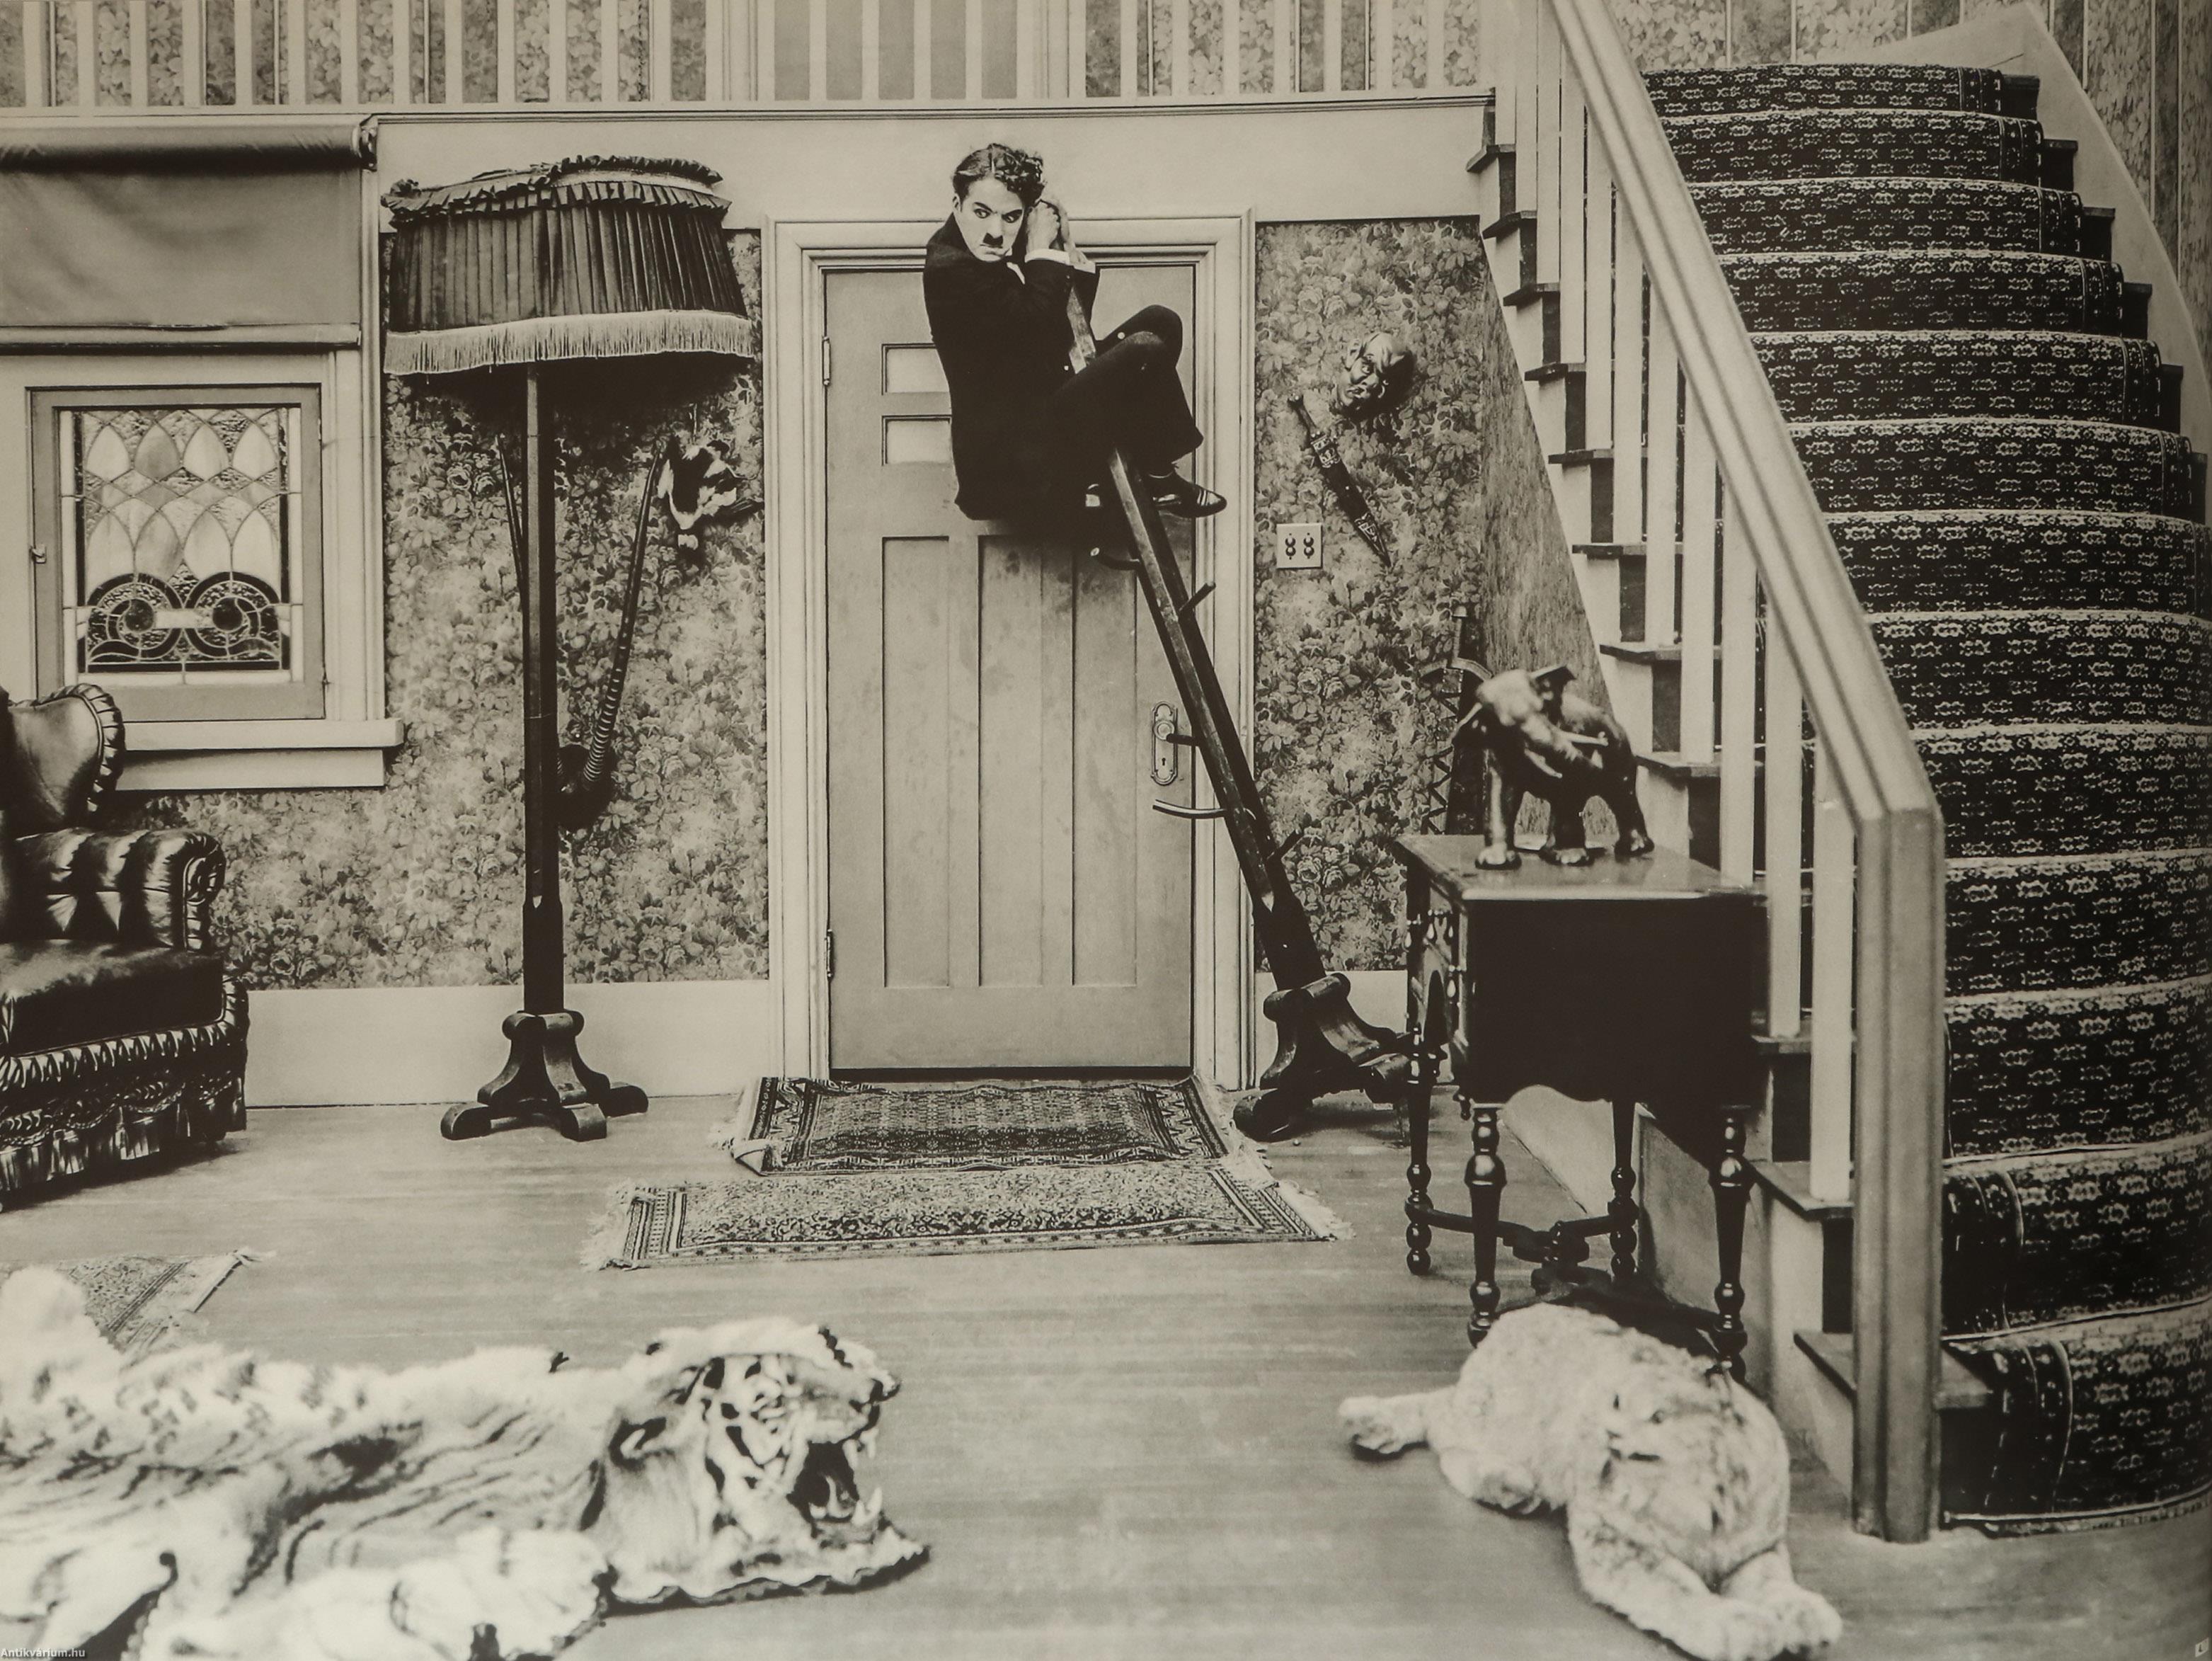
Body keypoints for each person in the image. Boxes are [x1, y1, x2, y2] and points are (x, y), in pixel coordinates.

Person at [923, 142, 1224, 526]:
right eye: (981, 212)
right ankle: (1159, 478)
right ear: (957, 204)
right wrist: (1039, 252)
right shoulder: (949, 269)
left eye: (1011, 217)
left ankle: (1150, 476)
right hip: (1011, 466)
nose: (995, 232)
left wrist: (1065, 248)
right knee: (1145, 348)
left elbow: (1063, 337)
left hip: (1043, 420)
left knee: (1160, 323)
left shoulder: (984, 249)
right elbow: (1040, 336)